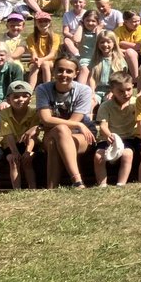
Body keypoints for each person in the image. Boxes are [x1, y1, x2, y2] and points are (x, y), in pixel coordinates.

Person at [36, 56, 95, 188]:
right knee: (60, 131)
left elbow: (72, 121)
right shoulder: (43, 89)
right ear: (53, 71)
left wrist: (77, 124)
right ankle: (77, 181)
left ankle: (52, 187)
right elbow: (45, 119)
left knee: (58, 136)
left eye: (69, 71)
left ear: (76, 73)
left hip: (81, 135)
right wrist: (79, 124)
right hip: (56, 132)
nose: (64, 74)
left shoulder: (83, 90)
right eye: (60, 70)